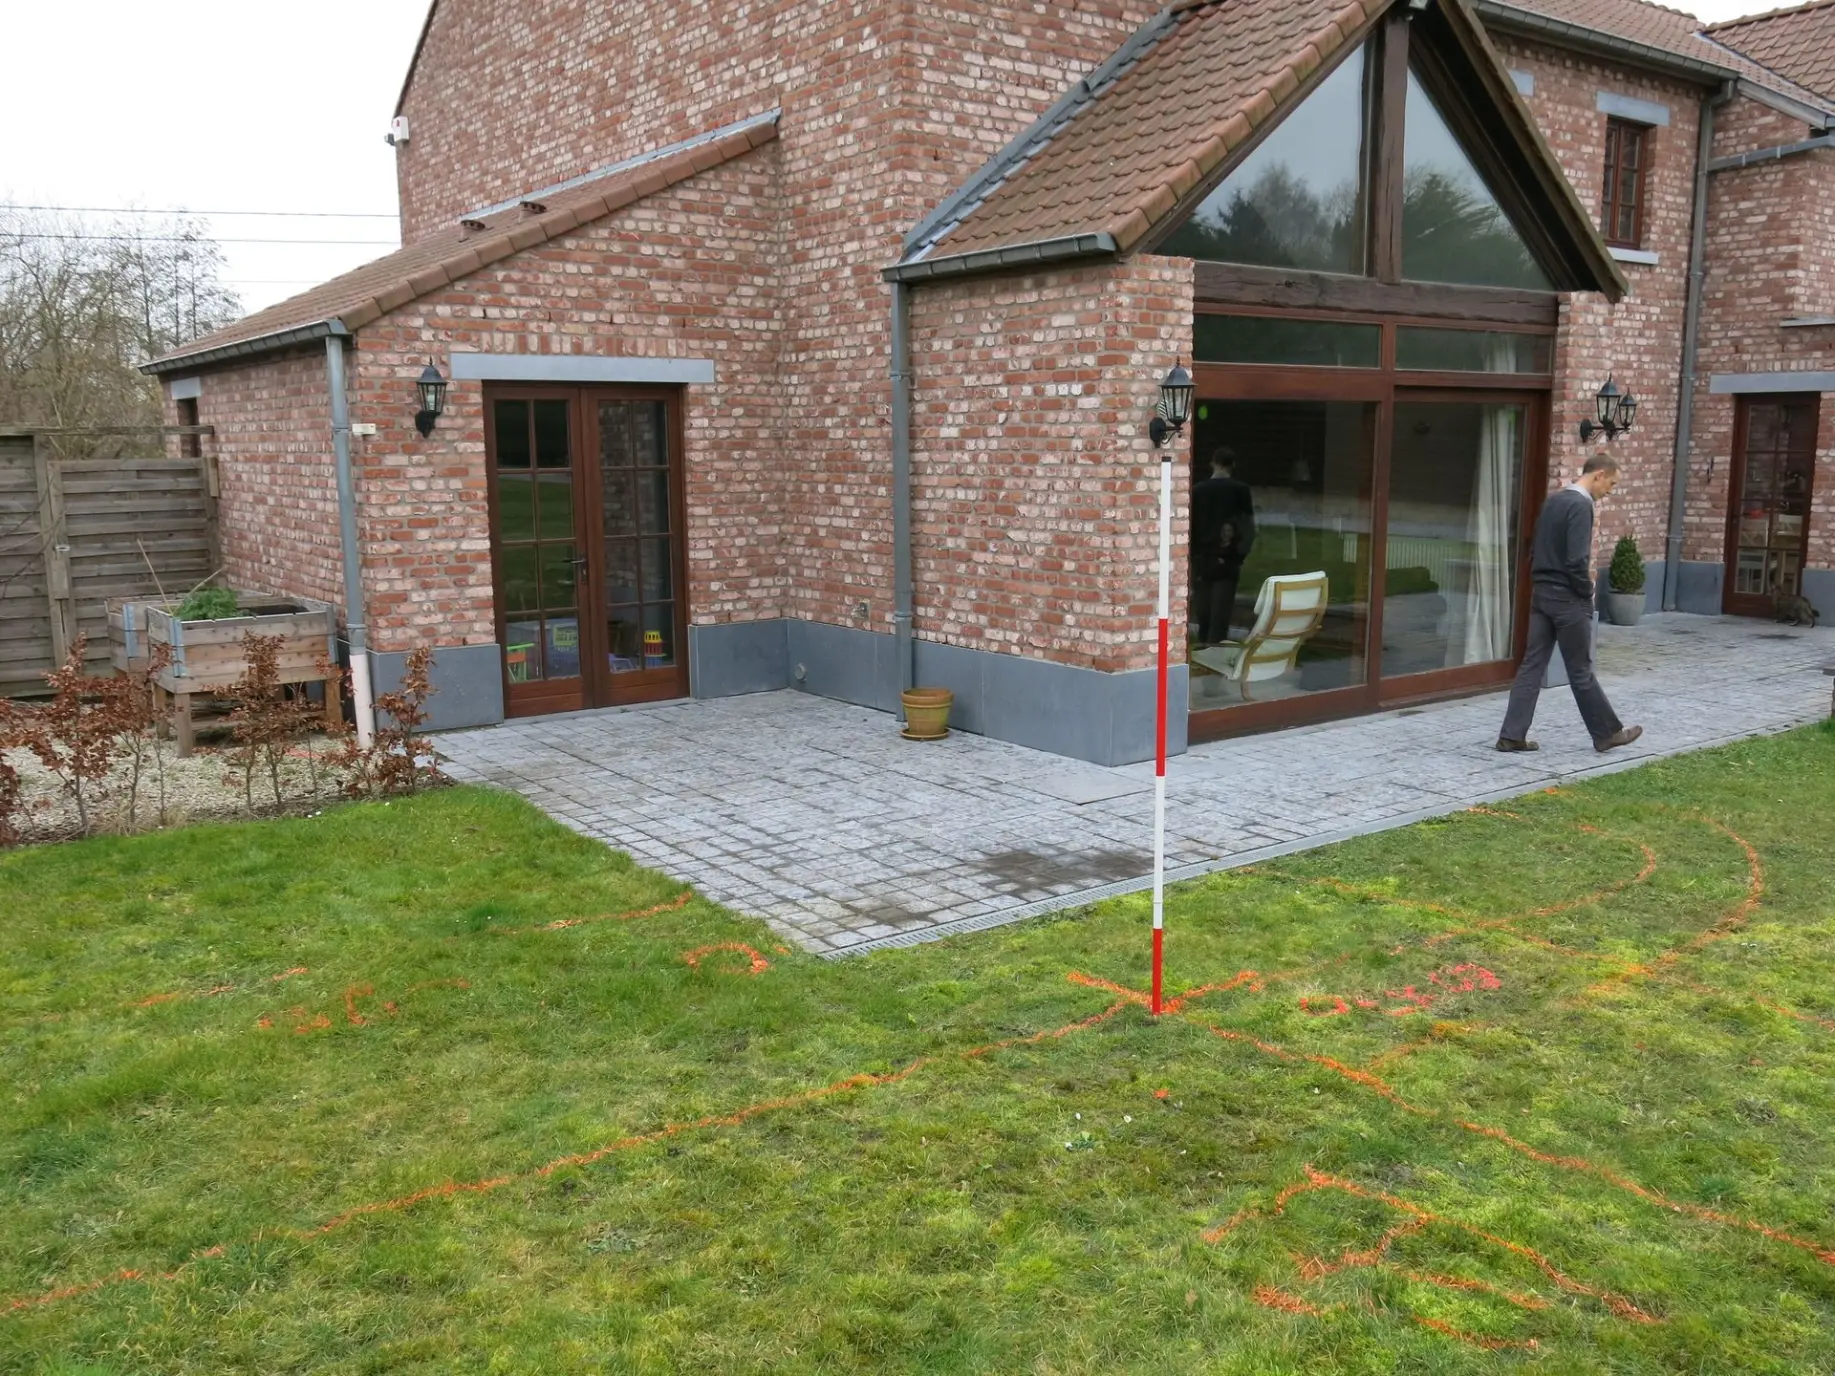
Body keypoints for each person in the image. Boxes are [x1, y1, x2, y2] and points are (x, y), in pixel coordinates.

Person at [1497, 454, 1642, 754]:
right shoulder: (1580, 505)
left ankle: (1511, 735)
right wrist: (1585, 591)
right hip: (1566, 598)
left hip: (1542, 594)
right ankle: (1607, 734)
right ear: (1598, 475)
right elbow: (1577, 559)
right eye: (1611, 484)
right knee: (1580, 669)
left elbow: (1533, 548)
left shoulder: (1554, 501)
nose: (1610, 491)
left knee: (1532, 665)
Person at [1191, 447, 1255, 644]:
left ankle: (1202, 651)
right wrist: (1239, 556)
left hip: (1202, 558)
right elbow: (1248, 528)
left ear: (1213, 463)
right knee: (1221, 614)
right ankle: (1215, 652)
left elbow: (1190, 526)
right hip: (1228, 559)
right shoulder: (1241, 491)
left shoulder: (1197, 491)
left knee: (1204, 613)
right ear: (1232, 465)